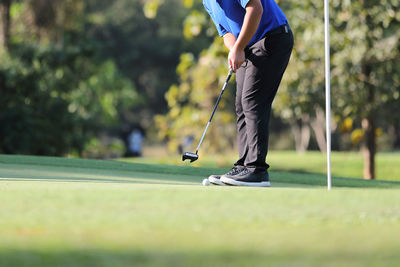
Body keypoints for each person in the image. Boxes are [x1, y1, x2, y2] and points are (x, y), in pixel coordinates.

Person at [204, 0, 293, 186]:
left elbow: (255, 9)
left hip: (272, 38)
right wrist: (235, 50)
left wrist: (238, 48)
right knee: (241, 105)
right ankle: (244, 167)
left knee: (252, 102)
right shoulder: (207, 2)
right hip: (249, 45)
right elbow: (226, 31)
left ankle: (256, 170)